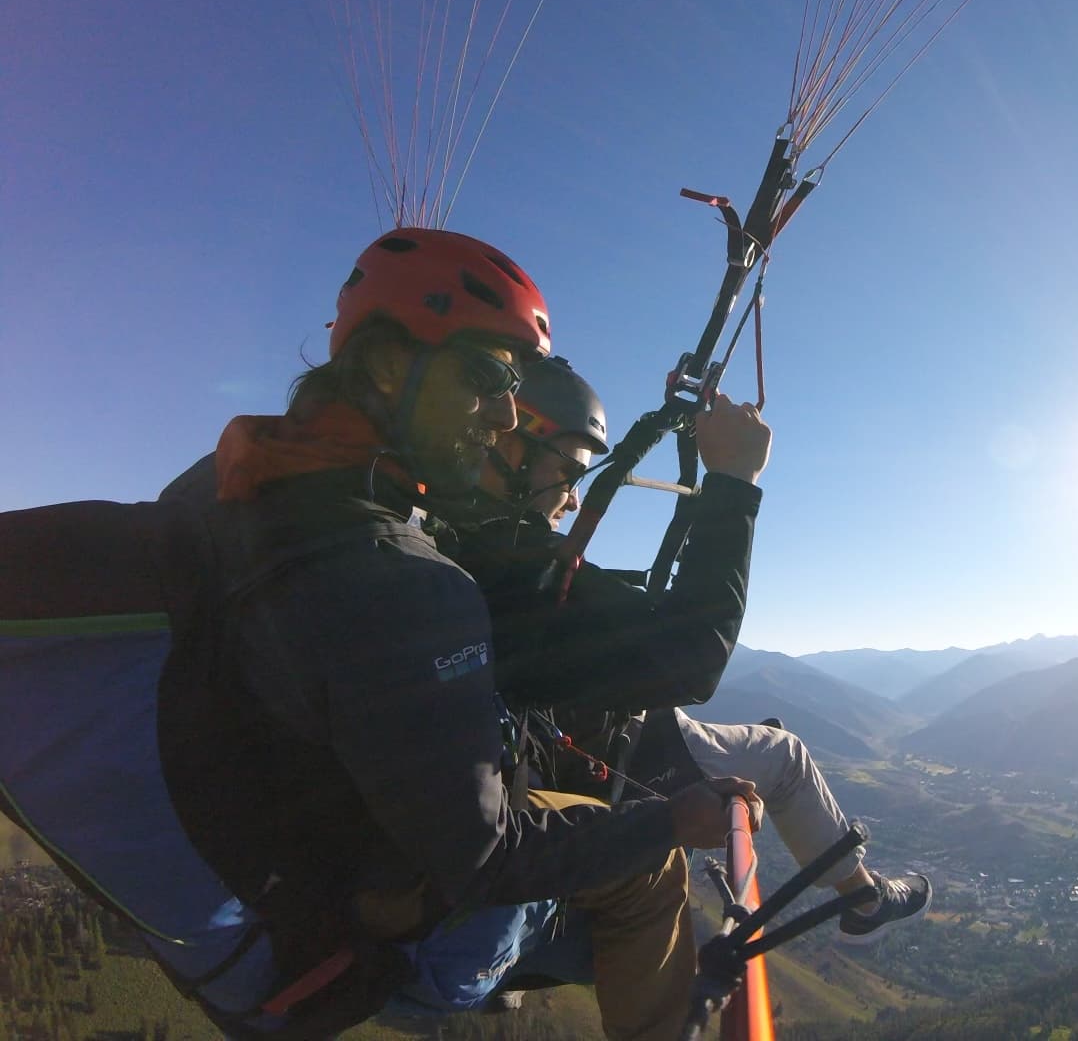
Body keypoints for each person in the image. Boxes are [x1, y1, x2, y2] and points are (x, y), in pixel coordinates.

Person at [155, 227, 759, 1040]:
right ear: (387, 364)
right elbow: (486, 857)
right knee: (653, 871)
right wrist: (670, 823)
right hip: (385, 932)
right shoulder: (405, 577)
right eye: (485, 378)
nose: (506, 413)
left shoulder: (228, 486)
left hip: (274, 865)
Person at [443, 356, 932, 947]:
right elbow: (696, 657)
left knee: (755, 742)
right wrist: (733, 482)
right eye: (569, 473)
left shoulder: (455, 548)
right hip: (609, 750)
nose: (571, 500)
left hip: (577, 737)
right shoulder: (515, 567)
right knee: (783, 755)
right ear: (509, 451)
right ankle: (864, 897)